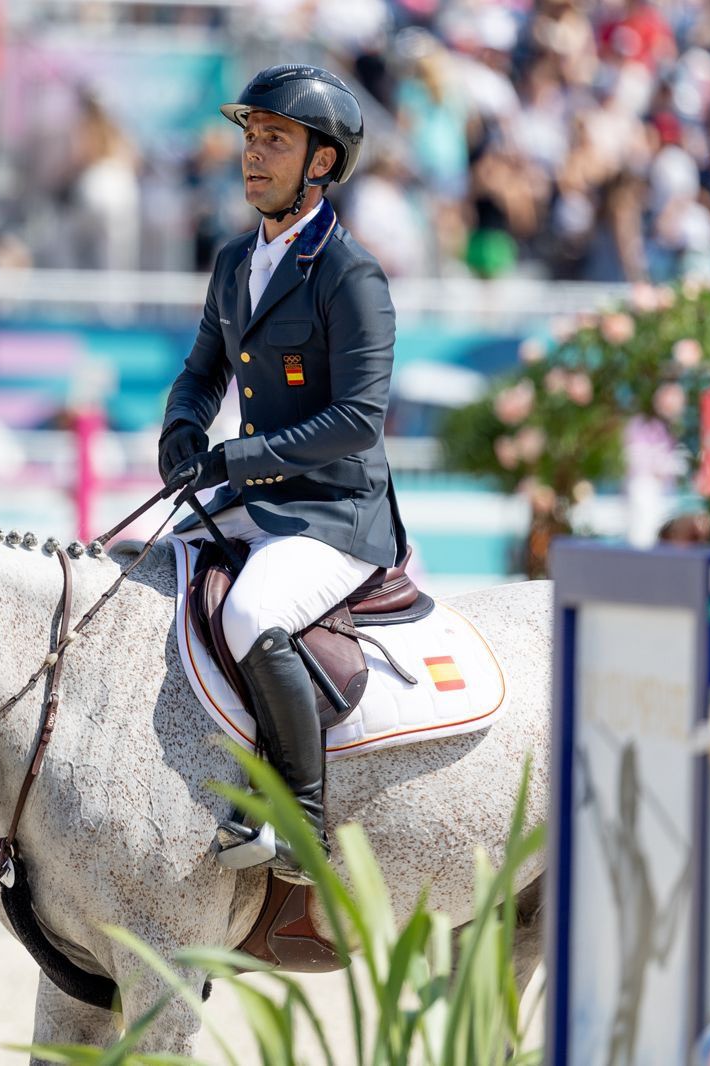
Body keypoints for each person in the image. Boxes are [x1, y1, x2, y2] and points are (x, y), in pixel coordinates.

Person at [157, 64, 407, 882]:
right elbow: (202, 370)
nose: (253, 155)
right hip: (255, 497)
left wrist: (241, 457)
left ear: (322, 163)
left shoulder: (352, 275)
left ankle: (301, 823)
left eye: (275, 140)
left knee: (254, 609)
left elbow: (359, 422)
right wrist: (183, 426)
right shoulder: (236, 260)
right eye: (250, 137)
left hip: (336, 516)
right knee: (143, 573)